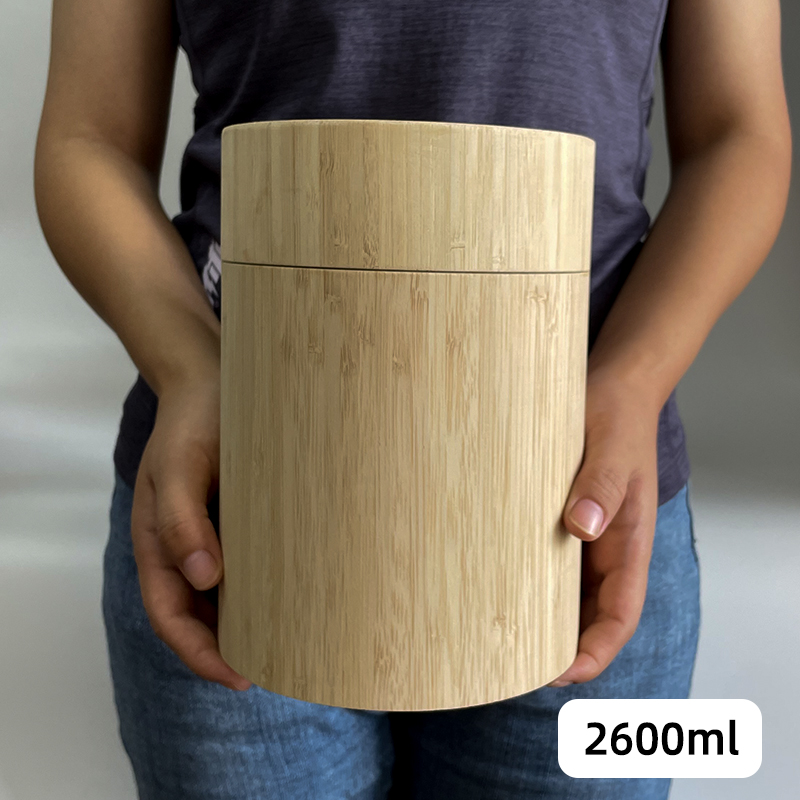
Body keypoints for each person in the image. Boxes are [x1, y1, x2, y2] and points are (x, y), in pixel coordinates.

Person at [34, 0, 790, 797]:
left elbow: (739, 133)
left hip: (577, 507)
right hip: (240, 492)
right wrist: (189, 369)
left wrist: (634, 380)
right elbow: (88, 139)